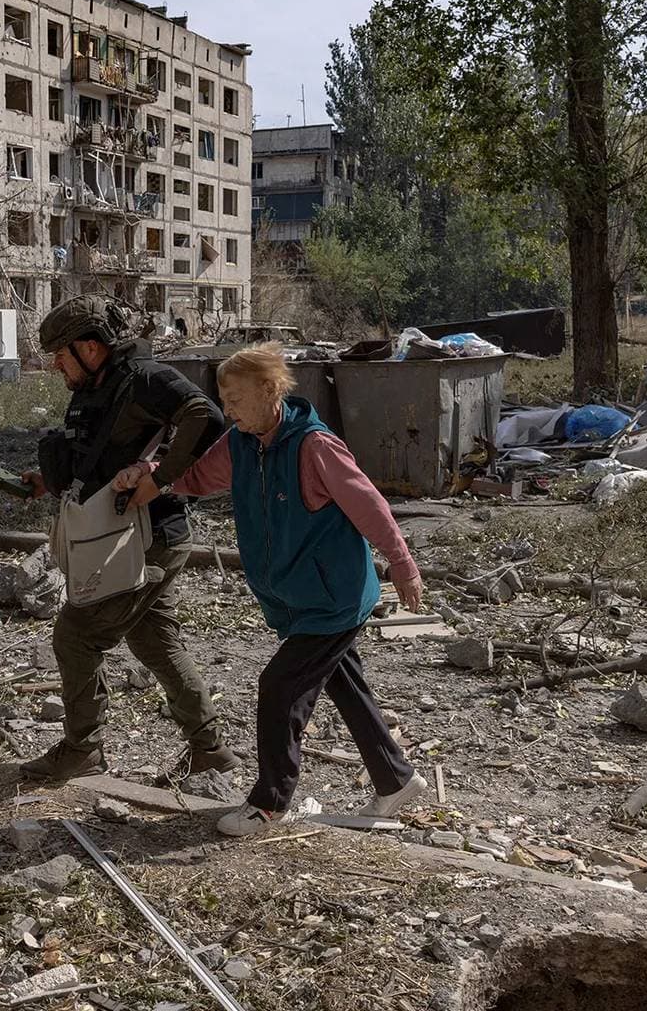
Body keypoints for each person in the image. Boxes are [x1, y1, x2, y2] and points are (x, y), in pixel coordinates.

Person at [113, 344, 427, 837]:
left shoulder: (315, 446)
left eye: (235, 397)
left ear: (269, 390)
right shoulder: (241, 443)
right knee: (344, 683)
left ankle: (269, 802)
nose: (228, 409)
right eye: (223, 398)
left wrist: (403, 565)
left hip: (335, 597)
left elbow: (370, 506)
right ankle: (396, 779)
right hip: (300, 597)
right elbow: (195, 478)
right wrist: (151, 474)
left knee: (280, 688)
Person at [15, 295, 237, 783]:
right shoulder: (98, 386)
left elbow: (206, 416)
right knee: (155, 640)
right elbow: (97, 457)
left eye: (60, 353)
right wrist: (48, 481)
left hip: (146, 537)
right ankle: (211, 750)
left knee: (76, 636)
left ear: (90, 347)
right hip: (121, 534)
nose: (56, 364)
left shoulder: (145, 378)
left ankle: (82, 751)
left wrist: (159, 479)